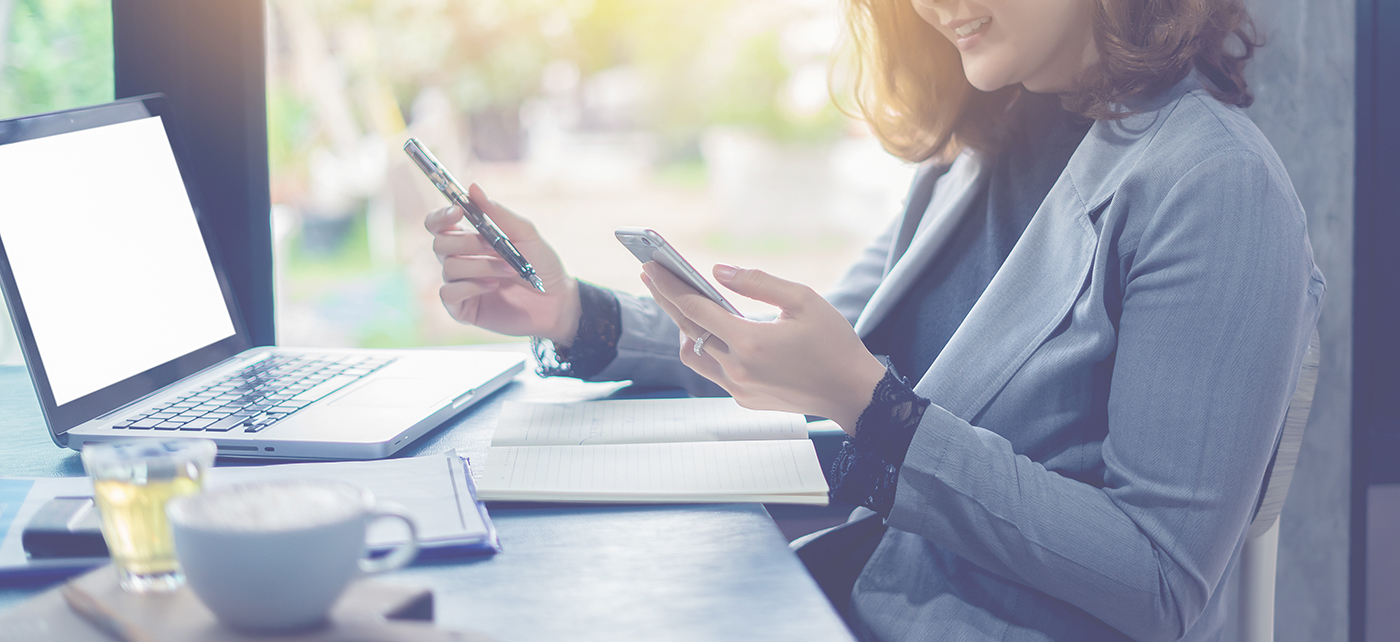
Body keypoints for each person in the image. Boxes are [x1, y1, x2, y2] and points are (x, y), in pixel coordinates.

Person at [425, 0, 1325, 639]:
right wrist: (573, 312)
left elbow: (1160, 581)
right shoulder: (977, 152)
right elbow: (802, 350)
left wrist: (878, 413)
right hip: (846, 599)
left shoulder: (1214, 186)